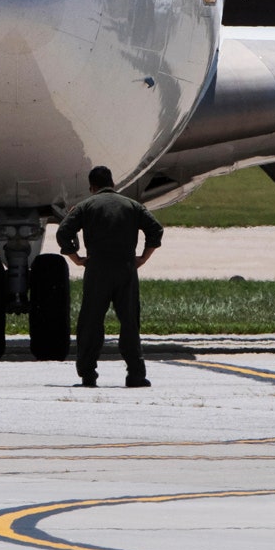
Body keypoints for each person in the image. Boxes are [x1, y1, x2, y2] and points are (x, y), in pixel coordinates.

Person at [55, 165, 163, 388]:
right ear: (113, 184)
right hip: (125, 269)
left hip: (97, 270)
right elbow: (155, 229)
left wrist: (75, 258)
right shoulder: (132, 206)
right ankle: (136, 374)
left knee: (91, 322)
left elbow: (63, 232)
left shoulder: (86, 206)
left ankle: (88, 374)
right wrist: (142, 258)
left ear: (92, 187)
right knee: (130, 323)